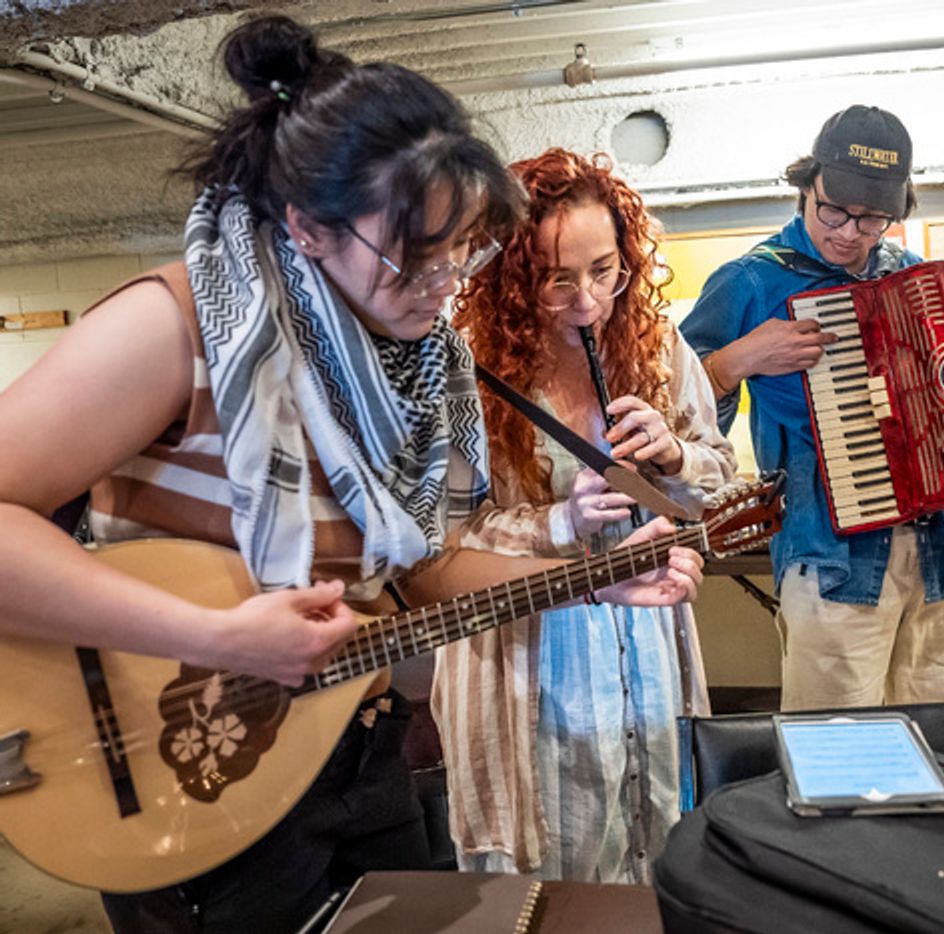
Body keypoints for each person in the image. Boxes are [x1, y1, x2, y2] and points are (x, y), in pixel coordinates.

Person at [0, 18, 701, 932]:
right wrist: (216, 637)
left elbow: (421, 570)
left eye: (464, 252)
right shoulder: (181, 326)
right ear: (308, 227)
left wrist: (590, 582)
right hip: (178, 757)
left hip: (355, 751)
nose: (444, 284)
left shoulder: (424, 365)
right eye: (415, 257)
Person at [434, 148, 736, 883]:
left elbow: (719, 479)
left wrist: (675, 457)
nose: (589, 303)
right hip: (530, 655)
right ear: (512, 277)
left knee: (657, 843)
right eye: (557, 281)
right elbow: (439, 541)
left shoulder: (658, 347)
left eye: (604, 272)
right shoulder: (463, 369)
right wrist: (559, 523)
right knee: (552, 878)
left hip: (646, 640)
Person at [679, 106, 944, 712]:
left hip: (943, 554)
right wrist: (736, 360)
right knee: (842, 746)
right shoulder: (750, 281)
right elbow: (671, 417)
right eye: (834, 210)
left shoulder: (917, 277)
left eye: (871, 219)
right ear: (806, 186)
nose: (849, 232)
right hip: (832, 558)